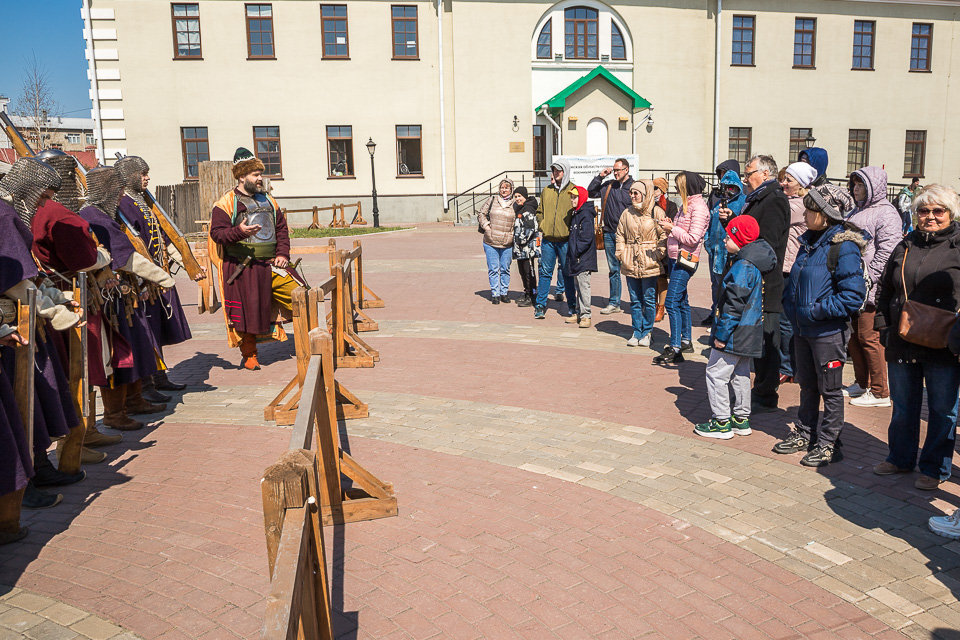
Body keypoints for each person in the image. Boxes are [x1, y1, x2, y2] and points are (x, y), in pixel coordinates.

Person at [873, 185, 960, 491]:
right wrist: (883, 325)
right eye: (924, 210)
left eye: (938, 211)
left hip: (944, 342)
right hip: (903, 339)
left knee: (942, 409)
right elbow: (886, 288)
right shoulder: (905, 245)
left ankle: (935, 467)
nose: (930, 217)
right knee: (903, 405)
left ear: (951, 213)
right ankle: (900, 457)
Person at [79, 166, 176, 429]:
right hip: (110, 296)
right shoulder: (94, 216)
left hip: (123, 294)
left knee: (136, 347)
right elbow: (127, 259)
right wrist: (161, 277)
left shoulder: (100, 214)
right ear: (108, 189)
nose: (122, 194)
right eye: (119, 188)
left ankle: (134, 401)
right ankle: (115, 413)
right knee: (119, 353)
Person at [778, 183, 866, 467]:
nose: (804, 214)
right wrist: (792, 308)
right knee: (807, 386)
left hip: (827, 332)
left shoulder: (844, 248)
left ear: (826, 215)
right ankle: (806, 433)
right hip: (803, 329)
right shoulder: (808, 242)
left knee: (830, 390)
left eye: (810, 209)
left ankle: (829, 443)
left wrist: (816, 311)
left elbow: (853, 297)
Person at [116, 155, 205, 400]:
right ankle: (146, 387)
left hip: (157, 276)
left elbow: (163, 238)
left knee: (156, 328)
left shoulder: (143, 202)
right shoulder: (123, 205)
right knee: (145, 333)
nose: (147, 177)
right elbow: (130, 246)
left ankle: (159, 377)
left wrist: (188, 264)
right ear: (130, 176)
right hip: (141, 280)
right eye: (143, 174)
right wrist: (144, 279)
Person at [210, 148, 302, 370]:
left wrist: (282, 254)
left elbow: (281, 229)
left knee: (301, 295)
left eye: (260, 174)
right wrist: (239, 232)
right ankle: (249, 354)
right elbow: (217, 234)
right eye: (255, 174)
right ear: (241, 176)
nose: (260, 178)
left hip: (272, 264)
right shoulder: (226, 203)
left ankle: (315, 338)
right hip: (242, 267)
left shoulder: (269, 200)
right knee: (246, 312)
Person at [694, 215, 776, 439]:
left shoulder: (742, 266)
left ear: (740, 240)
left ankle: (721, 421)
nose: (724, 240)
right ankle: (741, 418)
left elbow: (732, 305)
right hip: (749, 330)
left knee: (715, 373)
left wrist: (721, 334)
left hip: (735, 330)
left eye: (729, 236)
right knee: (740, 373)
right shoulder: (752, 263)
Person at [721, 155, 790, 412]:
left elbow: (768, 243)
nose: (745, 179)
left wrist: (741, 247)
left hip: (764, 279)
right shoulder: (758, 197)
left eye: (748, 173)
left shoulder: (774, 199)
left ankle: (766, 392)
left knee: (767, 339)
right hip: (752, 275)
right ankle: (761, 387)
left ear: (764, 173)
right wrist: (731, 223)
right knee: (758, 338)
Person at [843, 167, 903, 408]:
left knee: (869, 337)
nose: (856, 189)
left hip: (870, 286)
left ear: (873, 188)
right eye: (854, 184)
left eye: (861, 185)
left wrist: (869, 277)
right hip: (851, 284)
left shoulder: (887, 213)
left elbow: (889, 251)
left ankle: (880, 391)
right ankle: (862, 382)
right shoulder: (856, 210)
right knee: (853, 337)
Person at [654, 172, 709, 365]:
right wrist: (671, 225)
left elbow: (693, 239)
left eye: (678, 186)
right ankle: (685, 340)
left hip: (685, 260)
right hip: (675, 257)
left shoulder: (698, 208)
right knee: (682, 301)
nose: (676, 189)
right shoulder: (687, 205)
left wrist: (672, 230)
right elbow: (682, 230)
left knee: (671, 302)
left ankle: (675, 347)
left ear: (687, 187)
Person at [778, 162, 817, 384]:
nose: (783, 183)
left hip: (789, 266)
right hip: (783, 265)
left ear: (800, 184)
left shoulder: (799, 204)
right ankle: (787, 363)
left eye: (788, 180)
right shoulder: (790, 200)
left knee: (785, 319)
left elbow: (775, 214)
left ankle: (787, 366)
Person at [616, 180, 666, 347]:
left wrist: (659, 253)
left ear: (645, 195)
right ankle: (636, 331)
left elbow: (663, 235)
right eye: (631, 193)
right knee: (635, 299)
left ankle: (647, 332)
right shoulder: (626, 213)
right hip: (630, 261)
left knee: (649, 298)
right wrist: (621, 254)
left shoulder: (656, 212)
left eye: (636, 193)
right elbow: (620, 234)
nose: (632, 196)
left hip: (649, 260)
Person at [587, 158, 634, 315]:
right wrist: (600, 176)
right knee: (614, 270)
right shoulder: (609, 186)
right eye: (614, 170)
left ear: (626, 170)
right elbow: (591, 192)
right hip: (609, 233)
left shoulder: (634, 187)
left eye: (618, 170)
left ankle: (636, 302)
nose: (615, 173)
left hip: (627, 236)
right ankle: (614, 303)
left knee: (631, 269)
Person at [703, 161, 746, 326]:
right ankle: (715, 314)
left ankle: (725, 318)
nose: (728, 190)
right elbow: (709, 223)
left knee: (727, 286)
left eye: (731, 187)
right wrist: (707, 241)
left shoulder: (743, 202)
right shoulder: (717, 202)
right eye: (725, 186)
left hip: (730, 253)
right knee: (715, 285)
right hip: (714, 253)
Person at [534, 160, 576, 320]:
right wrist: (542, 225)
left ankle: (571, 305)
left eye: (559, 170)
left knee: (567, 273)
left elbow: (577, 212)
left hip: (565, 240)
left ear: (565, 171)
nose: (556, 173)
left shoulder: (573, 190)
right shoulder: (547, 190)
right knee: (545, 273)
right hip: (548, 241)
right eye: (554, 170)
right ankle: (540, 305)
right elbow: (539, 211)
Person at [477, 179, 515, 304]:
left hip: (507, 242)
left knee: (505, 269)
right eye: (502, 187)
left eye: (507, 188)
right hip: (491, 241)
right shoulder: (492, 200)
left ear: (511, 189)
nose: (504, 190)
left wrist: (513, 233)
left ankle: (504, 293)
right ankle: (495, 294)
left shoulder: (515, 203)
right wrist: (486, 227)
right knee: (493, 269)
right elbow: (481, 213)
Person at [565, 186, 598, 328]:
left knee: (584, 286)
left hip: (583, 258)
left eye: (575, 197)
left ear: (581, 198)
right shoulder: (576, 213)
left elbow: (586, 238)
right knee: (578, 285)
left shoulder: (585, 214)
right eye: (571, 197)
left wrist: (576, 251)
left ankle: (586, 315)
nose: (572, 200)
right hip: (576, 257)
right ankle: (578, 312)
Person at [652, 177, 678, 323]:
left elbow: (671, 224)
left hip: (666, 245)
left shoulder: (671, 206)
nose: (653, 191)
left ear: (662, 190)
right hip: (651, 245)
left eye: (655, 188)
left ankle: (661, 307)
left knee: (661, 277)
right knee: (652, 277)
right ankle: (653, 305)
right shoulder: (649, 205)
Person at [511, 186, 539, 307]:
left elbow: (531, 228)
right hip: (520, 249)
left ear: (525, 197)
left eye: (520, 196)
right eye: (516, 196)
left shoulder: (528, 209)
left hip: (528, 248)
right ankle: (527, 292)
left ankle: (532, 295)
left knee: (529, 272)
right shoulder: (520, 209)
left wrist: (520, 240)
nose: (517, 199)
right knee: (522, 271)